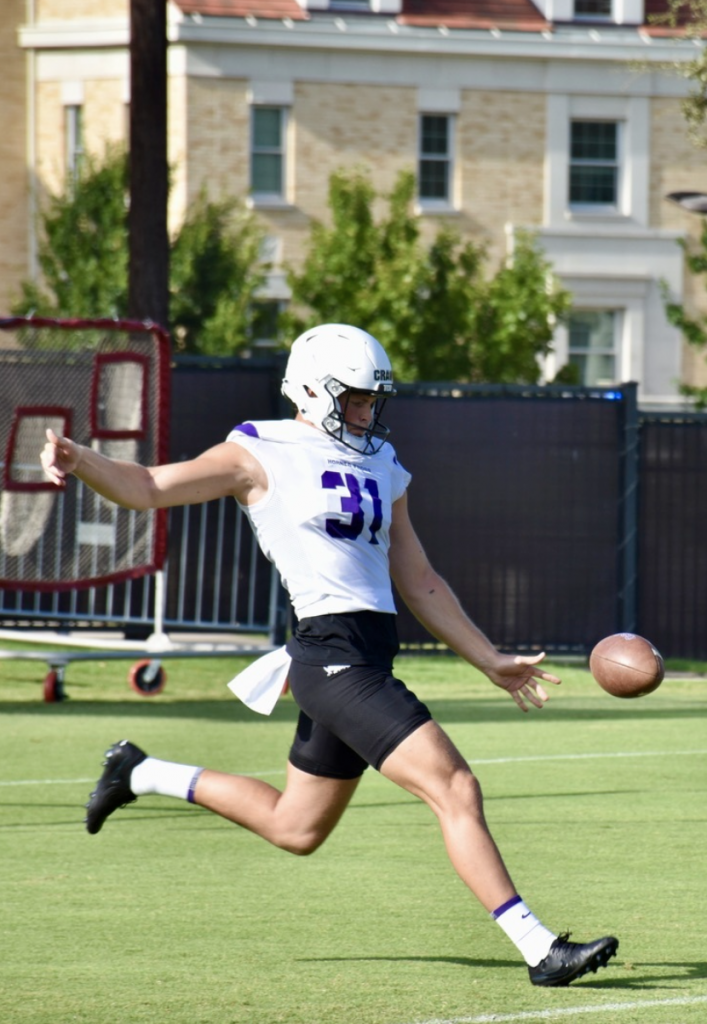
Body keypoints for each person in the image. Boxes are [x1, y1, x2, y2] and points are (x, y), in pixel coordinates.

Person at [40, 323, 618, 987]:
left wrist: (486, 658)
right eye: (354, 399)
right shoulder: (257, 450)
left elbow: (419, 578)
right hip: (329, 657)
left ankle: (138, 773)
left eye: (373, 399)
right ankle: (540, 948)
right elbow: (146, 484)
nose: (367, 412)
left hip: (367, 660)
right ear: (312, 391)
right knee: (454, 786)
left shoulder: (381, 461)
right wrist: (80, 458)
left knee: (295, 827)